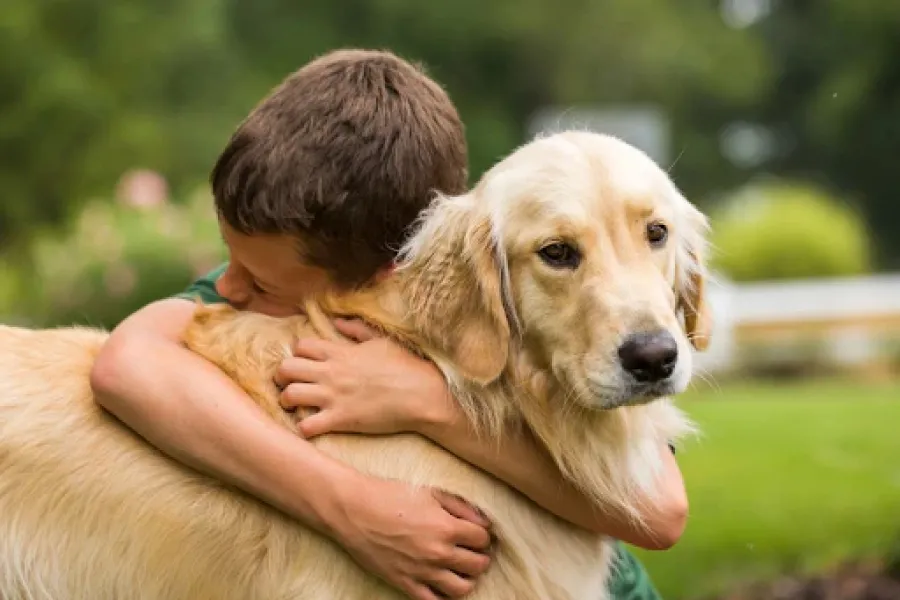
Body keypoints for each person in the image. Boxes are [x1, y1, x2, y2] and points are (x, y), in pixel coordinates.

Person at [89, 48, 687, 600]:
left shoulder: (459, 288)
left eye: (260, 279)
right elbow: (127, 364)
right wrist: (350, 505)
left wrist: (428, 404)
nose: (228, 286)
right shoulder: (278, 273)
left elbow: (661, 512)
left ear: (380, 276)